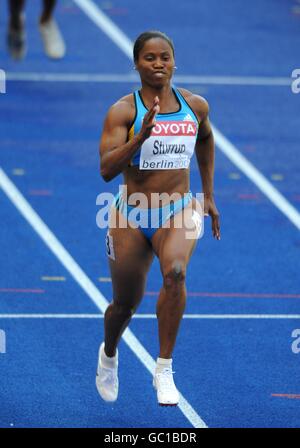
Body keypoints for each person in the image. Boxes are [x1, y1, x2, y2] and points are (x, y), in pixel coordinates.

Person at [96, 30, 220, 406]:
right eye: (149, 58)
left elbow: (206, 139)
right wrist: (139, 137)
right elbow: (105, 169)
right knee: (124, 306)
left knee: (176, 273)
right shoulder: (123, 111)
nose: (158, 64)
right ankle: (109, 353)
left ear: (174, 61)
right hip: (130, 214)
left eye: (164, 57)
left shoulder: (194, 106)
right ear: (136, 64)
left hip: (177, 208)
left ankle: (163, 368)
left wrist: (209, 195)